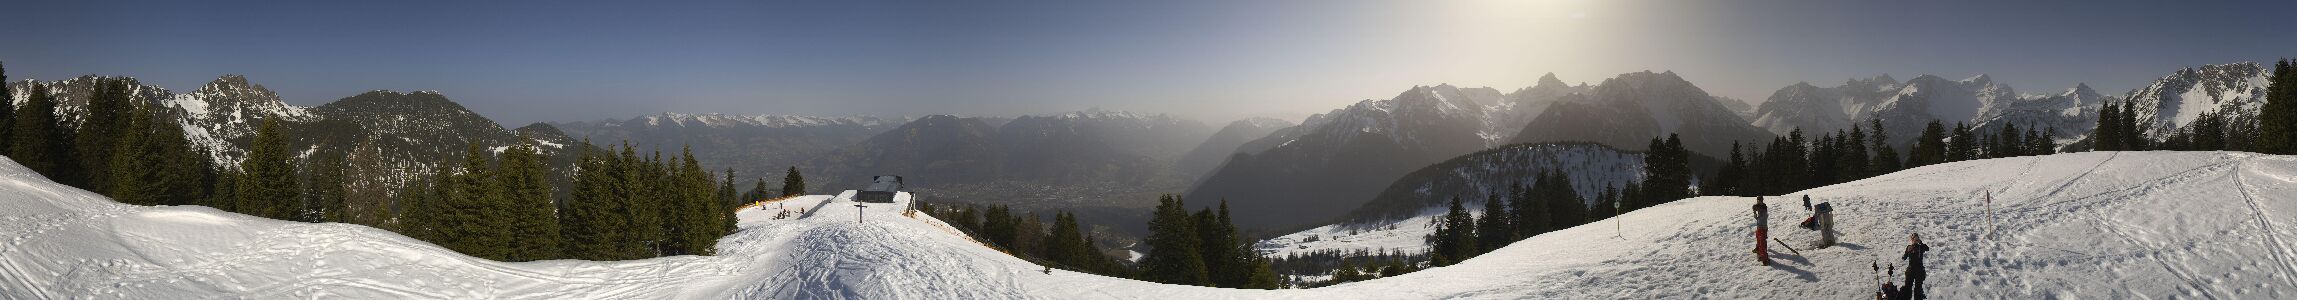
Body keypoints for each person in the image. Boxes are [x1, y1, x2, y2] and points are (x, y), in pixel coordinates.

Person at [1901, 233, 1932, 299]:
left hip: (1919, 270)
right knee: (1908, 287)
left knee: (1918, 288)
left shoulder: (1921, 247)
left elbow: (1927, 248)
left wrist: (1920, 242)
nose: (1915, 240)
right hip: (1910, 269)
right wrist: (1904, 256)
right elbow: (1905, 257)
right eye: (1914, 239)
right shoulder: (1909, 247)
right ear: (1911, 239)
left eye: (1917, 238)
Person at [1752, 197, 1771, 266]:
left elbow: (1757, 207)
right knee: (1759, 239)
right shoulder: (1760, 207)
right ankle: (1758, 249)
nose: (1760, 202)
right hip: (1760, 227)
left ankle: (1764, 259)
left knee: (1762, 242)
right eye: (1758, 200)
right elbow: (1755, 208)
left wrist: (1755, 211)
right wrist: (1755, 213)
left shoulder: (1763, 207)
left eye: (1760, 200)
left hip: (1763, 228)